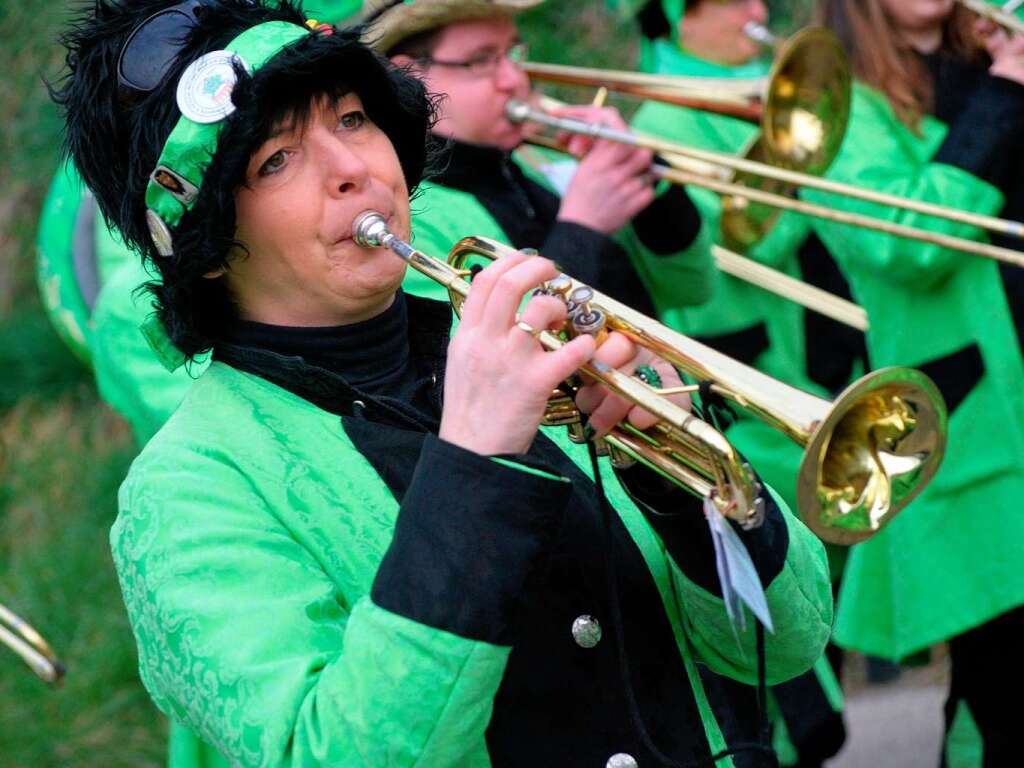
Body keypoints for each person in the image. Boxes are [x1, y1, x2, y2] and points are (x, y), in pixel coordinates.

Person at [55, 1, 833, 766]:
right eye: (277, 159)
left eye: (353, 119)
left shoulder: (516, 346)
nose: (353, 169)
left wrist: (664, 469)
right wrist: (474, 464)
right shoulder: (184, 493)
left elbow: (788, 637)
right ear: (210, 246)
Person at [623, 3, 855, 765]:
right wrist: (799, 170)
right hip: (742, 395)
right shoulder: (665, 117)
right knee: (780, 624)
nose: (758, 10)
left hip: (807, 360)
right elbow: (721, 263)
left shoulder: (748, 90)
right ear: (678, 15)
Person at [814, 1, 1024, 764]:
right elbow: (911, 243)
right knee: (1002, 689)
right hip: (973, 423)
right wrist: (1007, 90)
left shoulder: (993, 58)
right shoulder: (836, 107)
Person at [362, 0, 716, 322]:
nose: (515, 79)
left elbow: (692, 289)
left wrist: (646, 176)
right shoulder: (408, 217)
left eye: (513, 54)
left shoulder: (534, 166)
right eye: (482, 60)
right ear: (411, 76)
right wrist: (582, 227)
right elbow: (490, 362)